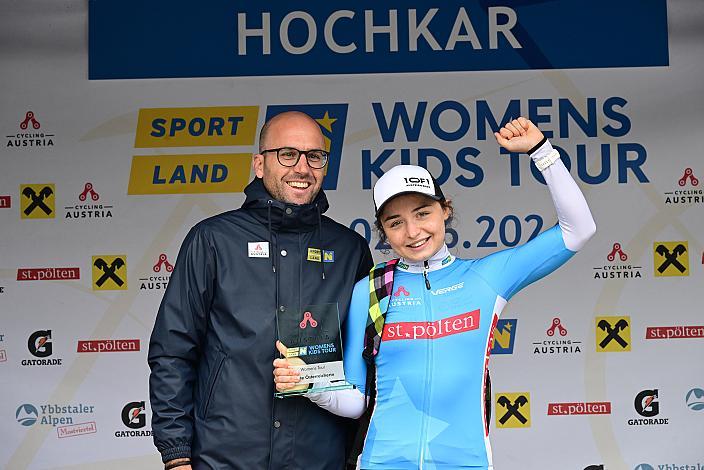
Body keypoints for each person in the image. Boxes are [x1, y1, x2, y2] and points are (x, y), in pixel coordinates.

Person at [273, 117, 596, 469]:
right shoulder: (372, 289)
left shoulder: (486, 278)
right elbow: (355, 400)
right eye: (395, 222)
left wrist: (542, 151)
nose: (413, 232)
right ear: (383, 231)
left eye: (423, 213)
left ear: (445, 210)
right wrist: (308, 383)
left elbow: (578, 230)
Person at [148, 111, 374, 470]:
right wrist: (177, 455)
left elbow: (369, 365)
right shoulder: (213, 240)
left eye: (314, 156)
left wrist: (350, 457)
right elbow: (173, 351)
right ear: (259, 163)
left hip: (317, 458)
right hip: (226, 457)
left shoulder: (349, 250)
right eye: (287, 154)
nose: (302, 168)